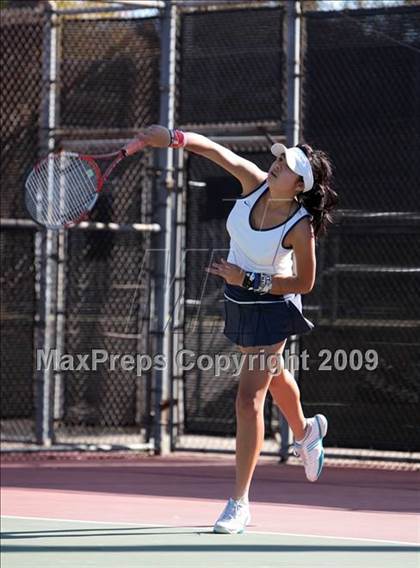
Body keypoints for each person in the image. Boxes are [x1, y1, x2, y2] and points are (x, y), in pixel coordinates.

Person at [129, 124, 338, 535]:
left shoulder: (300, 226)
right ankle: (307, 430)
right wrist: (171, 138)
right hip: (239, 297)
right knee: (273, 376)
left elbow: (304, 283)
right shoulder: (253, 183)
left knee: (248, 399)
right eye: (279, 159)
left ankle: (239, 503)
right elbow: (215, 151)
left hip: (273, 304)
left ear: (299, 185)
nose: (277, 165)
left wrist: (248, 279)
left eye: (288, 165)